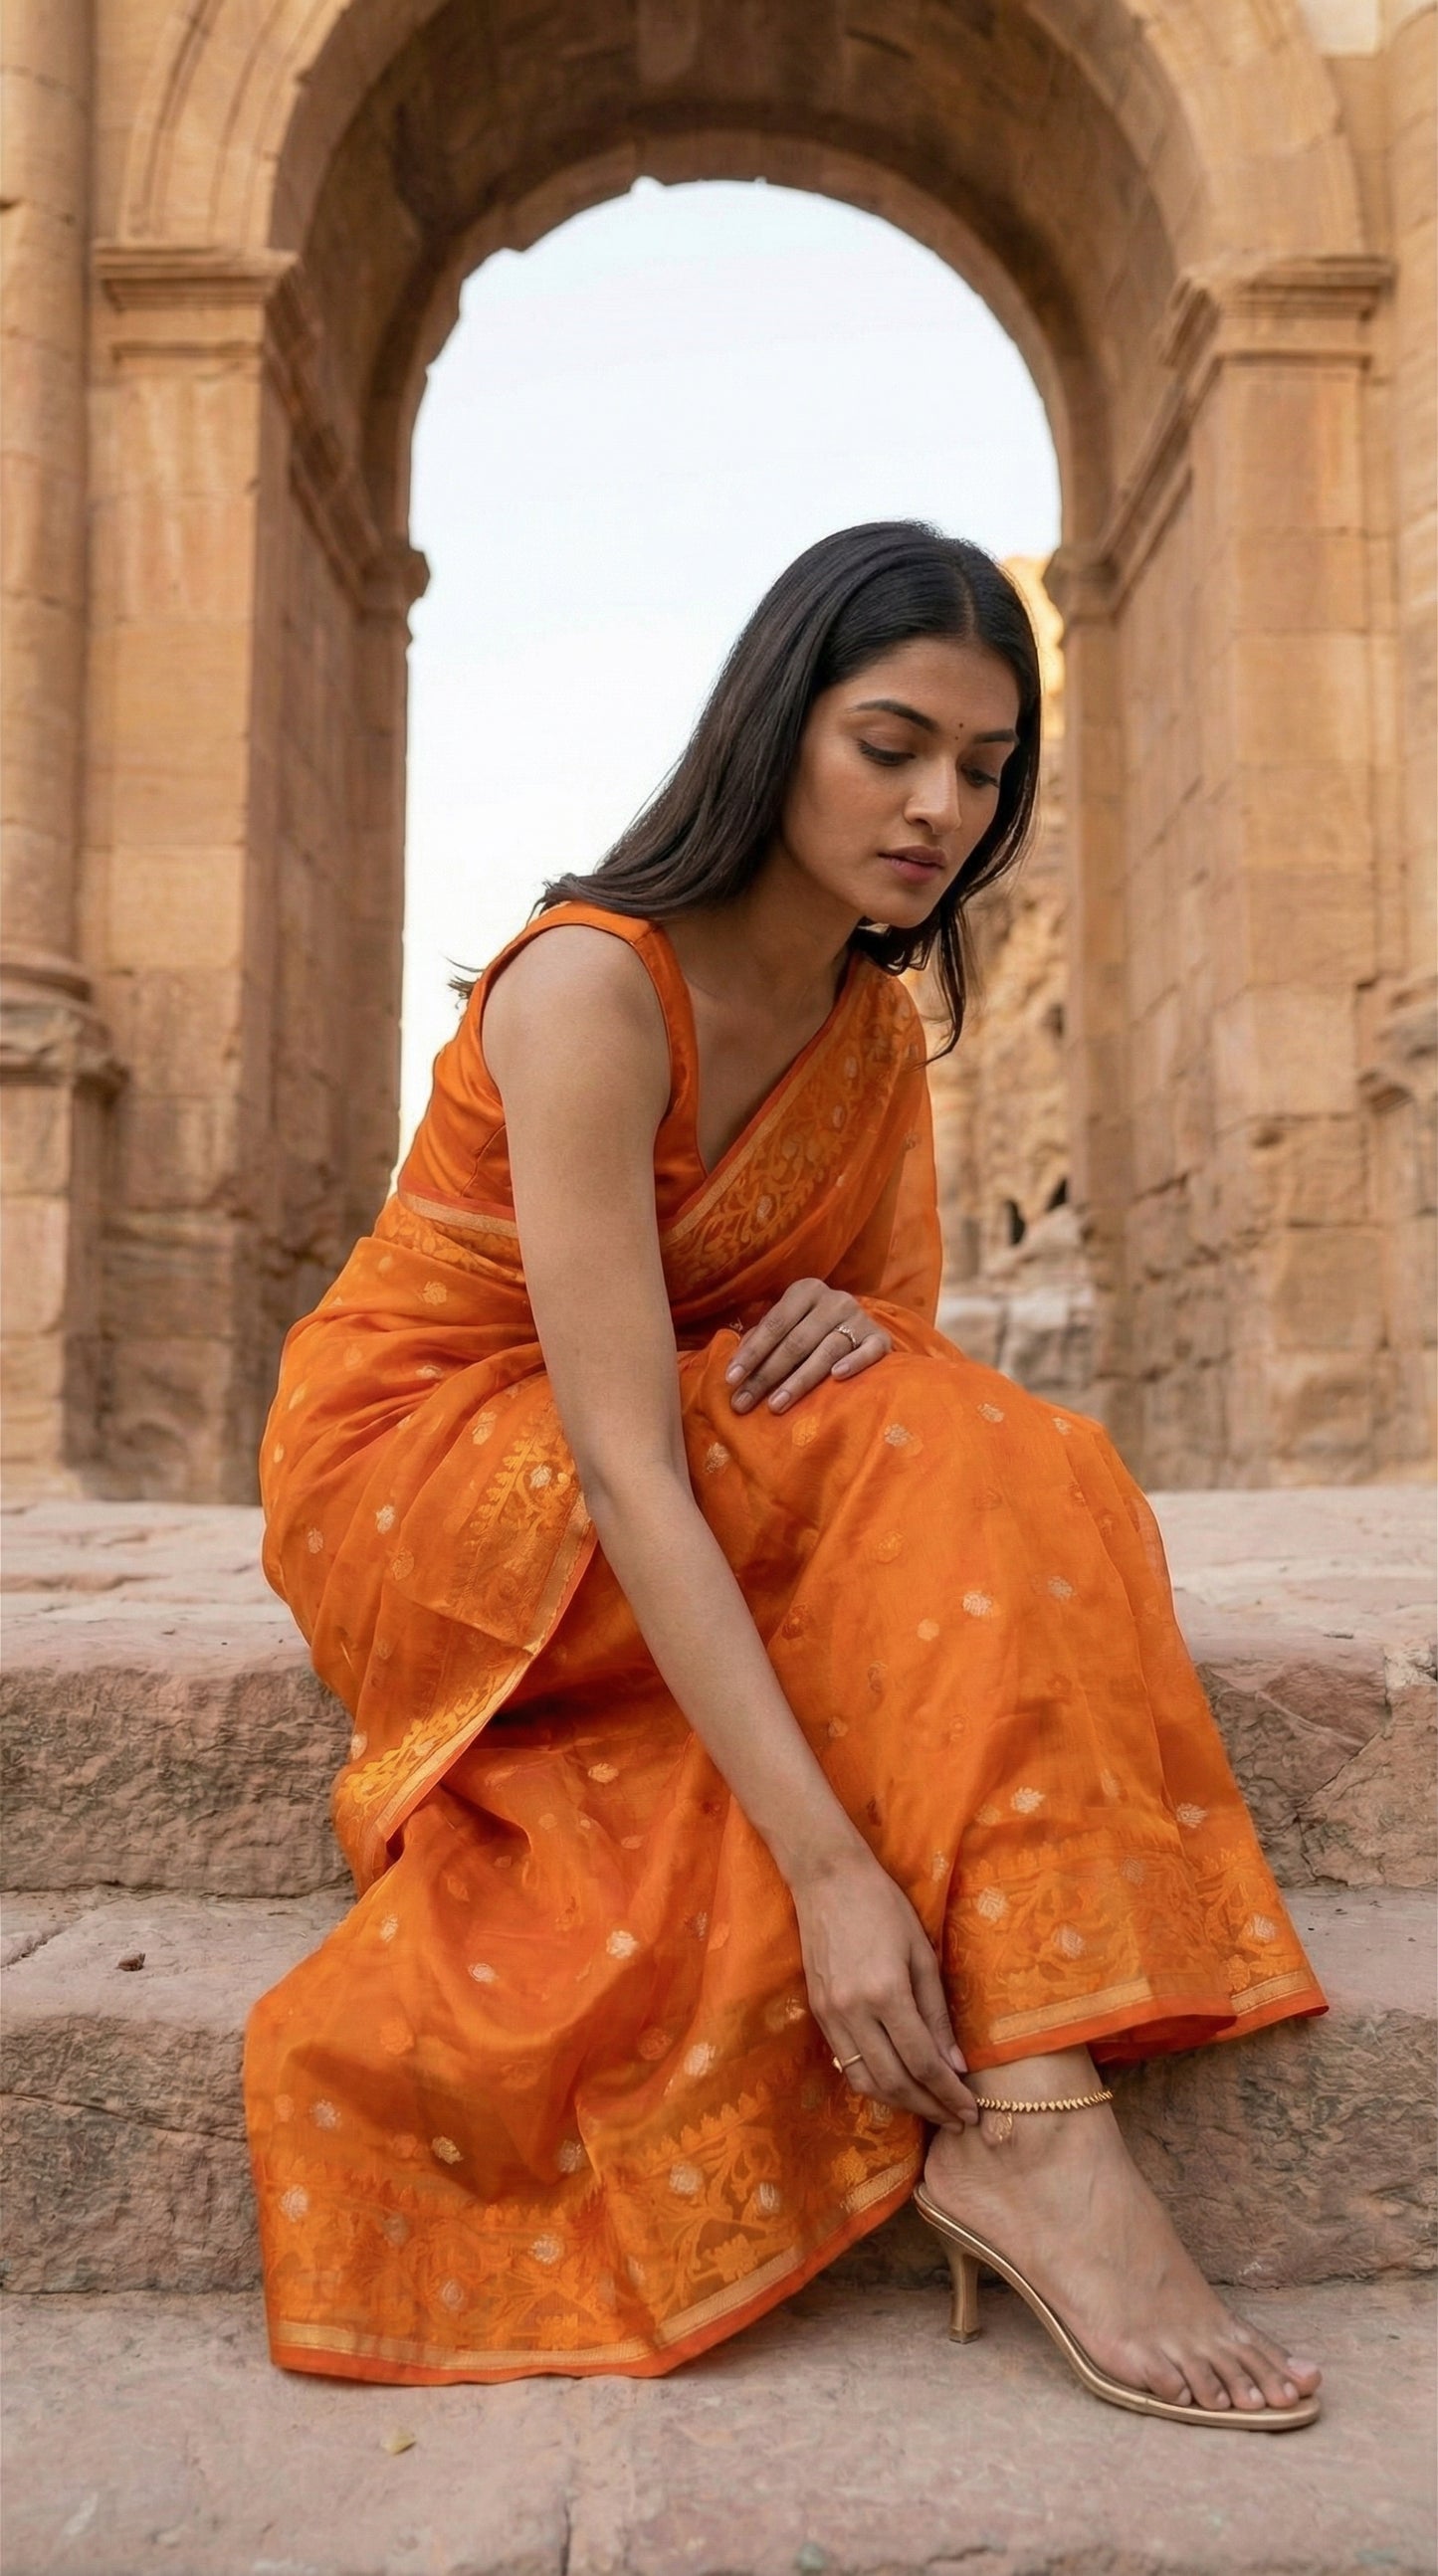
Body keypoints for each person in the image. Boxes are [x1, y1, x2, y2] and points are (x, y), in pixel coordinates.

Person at [245, 522, 1326, 2427]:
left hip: (671, 1428)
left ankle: (1038, 2124)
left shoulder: (867, 1036)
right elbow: (621, 1449)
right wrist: (832, 1872)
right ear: (776, 728)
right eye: (888, 742)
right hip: (436, 1462)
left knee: (999, 1447)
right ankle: (1044, 2139)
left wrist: (857, 1329)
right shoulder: (589, 985)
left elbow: (880, 1344)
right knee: (944, 1453)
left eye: (985, 772)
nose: (937, 809)